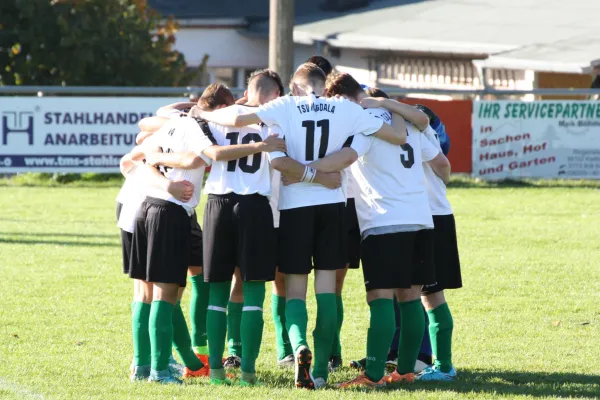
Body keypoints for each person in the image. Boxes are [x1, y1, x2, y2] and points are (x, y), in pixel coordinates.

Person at [196, 62, 406, 389]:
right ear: (324, 85)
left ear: (294, 86)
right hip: (333, 207)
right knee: (327, 291)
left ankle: (298, 347)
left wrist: (203, 113)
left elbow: (237, 118)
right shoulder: (343, 107)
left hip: (295, 207)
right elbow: (394, 135)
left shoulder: (285, 106)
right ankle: (321, 370)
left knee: (295, 291)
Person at [159, 69, 287, 386]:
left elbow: (166, 116)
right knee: (254, 294)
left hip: (218, 205)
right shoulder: (274, 120)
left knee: (217, 292)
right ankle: (248, 373)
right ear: (273, 94)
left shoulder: (212, 118)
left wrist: (207, 108)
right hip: (256, 205)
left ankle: (216, 371)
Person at [323, 73, 450, 388]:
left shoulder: (361, 122)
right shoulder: (405, 121)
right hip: (421, 219)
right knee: (410, 298)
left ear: (342, 98)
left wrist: (311, 167)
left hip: (383, 221)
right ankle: (406, 371)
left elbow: (349, 157)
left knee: (379, 298)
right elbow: (438, 161)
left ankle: (374, 375)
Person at [413, 104, 462, 382]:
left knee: (430, 295)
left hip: (431, 220)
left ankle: (444, 366)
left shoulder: (421, 137)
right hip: (435, 216)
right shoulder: (429, 136)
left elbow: (444, 166)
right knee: (425, 294)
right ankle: (433, 363)